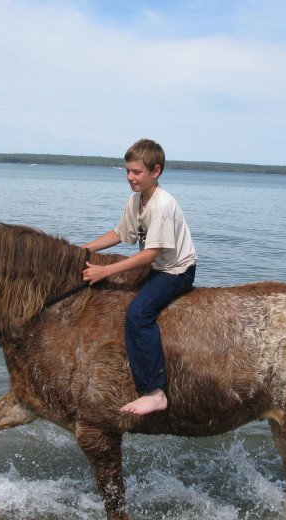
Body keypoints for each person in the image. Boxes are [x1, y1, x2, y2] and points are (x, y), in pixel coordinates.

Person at [82, 139, 197, 415]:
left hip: (176, 271)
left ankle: (155, 392)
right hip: (156, 267)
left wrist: (105, 270)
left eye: (136, 172)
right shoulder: (136, 201)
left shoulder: (162, 205)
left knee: (138, 314)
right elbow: (121, 234)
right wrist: (84, 249)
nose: (130, 178)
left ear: (155, 171)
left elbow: (150, 253)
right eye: (127, 171)